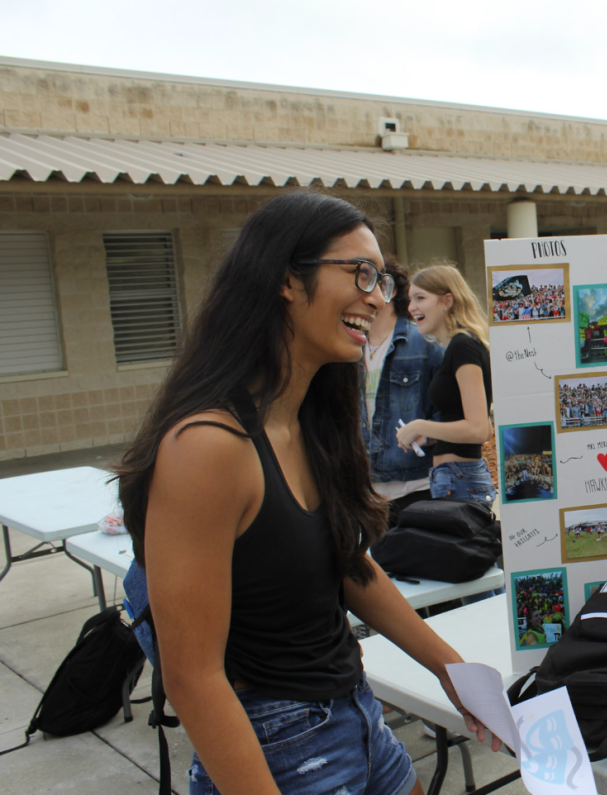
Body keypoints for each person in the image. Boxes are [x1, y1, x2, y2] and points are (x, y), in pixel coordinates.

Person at [115, 192, 498, 795]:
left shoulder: (312, 420)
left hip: (358, 714)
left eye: (384, 280)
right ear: (287, 280)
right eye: (361, 274)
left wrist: (451, 670)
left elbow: (348, 565)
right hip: (276, 746)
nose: (379, 298)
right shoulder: (207, 445)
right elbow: (194, 679)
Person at [396, 264, 496, 505]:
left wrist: (421, 425)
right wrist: (428, 436)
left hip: (459, 480)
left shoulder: (463, 346)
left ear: (447, 300)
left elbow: (479, 430)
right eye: (410, 299)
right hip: (456, 478)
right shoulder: (460, 346)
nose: (412, 307)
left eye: (420, 298)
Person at [361, 257, 444, 521]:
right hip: (361, 490)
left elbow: (452, 410)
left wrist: (427, 434)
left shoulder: (424, 343)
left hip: (416, 487)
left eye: (367, 282)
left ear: (389, 289)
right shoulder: (346, 345)